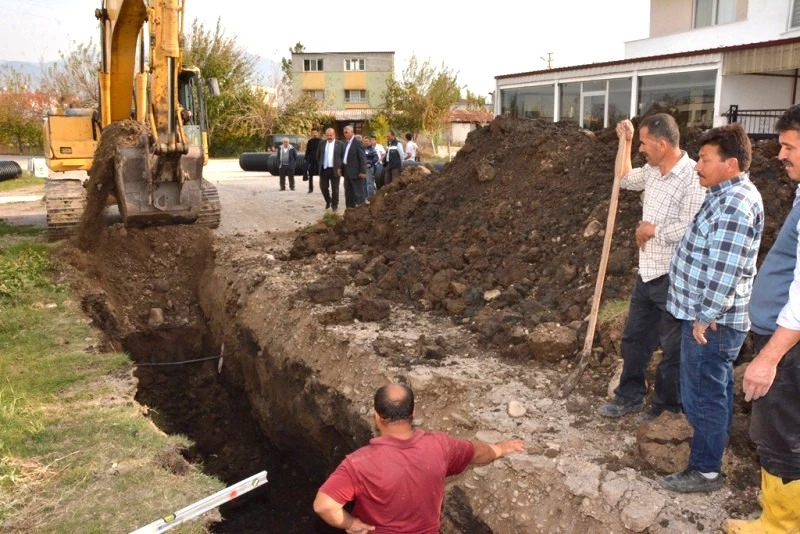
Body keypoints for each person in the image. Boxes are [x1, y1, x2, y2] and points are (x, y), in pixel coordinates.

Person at [659, 123, 764, 494]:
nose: (698, 165)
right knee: (705, 392)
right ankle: (706, 461)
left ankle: (704, 472)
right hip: (706, 317)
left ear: (730, 163)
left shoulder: (735, 204)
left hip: (713, 324)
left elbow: (724, 270)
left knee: (704, 395)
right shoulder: (722, 194)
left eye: (704, 159)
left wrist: (705, 317)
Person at [597, 114, 706, 422]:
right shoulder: (653, 171)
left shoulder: (693, 177)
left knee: (673, 348)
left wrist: (652, 229)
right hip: (647, 272)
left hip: (675, 277)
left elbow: (691, 227)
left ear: (662, 144)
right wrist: (627, 142)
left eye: (644, 143)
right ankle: (629, 397)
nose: (642, 149)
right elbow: (624, 180)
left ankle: (665, 409)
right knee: (634, 339)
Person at [723, 106, 800, 532]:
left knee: (782, 437)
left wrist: (769, 357)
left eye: (789, 146)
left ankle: (780, 525)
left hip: (788, 347)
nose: (781, 155)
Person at [313, 383, 525, 533]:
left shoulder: (358, 464)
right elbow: (477, 453)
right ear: (412, 413)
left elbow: (324, 505)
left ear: (377, 417)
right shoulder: (440, 446)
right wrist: (500, 449)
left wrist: (351, 524)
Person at [316, 128, 344, 211]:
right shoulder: (322, 143)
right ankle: (328, 201)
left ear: (334, 135)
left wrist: (340, 167)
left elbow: (343, 157)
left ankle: (335, 205)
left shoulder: (340, 144)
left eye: (331, 135)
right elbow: (318, 155)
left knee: (335, 189)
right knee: (323, 187)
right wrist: (320, 164)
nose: (329, 137)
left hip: (335, 170)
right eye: (327, 135)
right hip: (324, 169)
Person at [341, 126, 367, 209]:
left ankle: (361, 211)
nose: (345, 134)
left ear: (352, 132)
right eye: (344, 132)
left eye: (346, 132)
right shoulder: (346, 143)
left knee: (358, 192)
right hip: (347, 171)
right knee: (348, 192)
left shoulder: (358, 143)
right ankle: (349, 209)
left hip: (356, 172)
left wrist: (363, 171)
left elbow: (362, 158)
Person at [304, 128, 321, 194]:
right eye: (313, 133)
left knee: (322, 174)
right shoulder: (310, 141)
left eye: (315, 133)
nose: (314, 134)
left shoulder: (321, 141)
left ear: (317, 133)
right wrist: (305, 159)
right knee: (310, 175)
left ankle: (324, 187)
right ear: (311, 134)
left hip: (319, 160)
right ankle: (310, 188)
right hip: (311, 160)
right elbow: (307, 151)